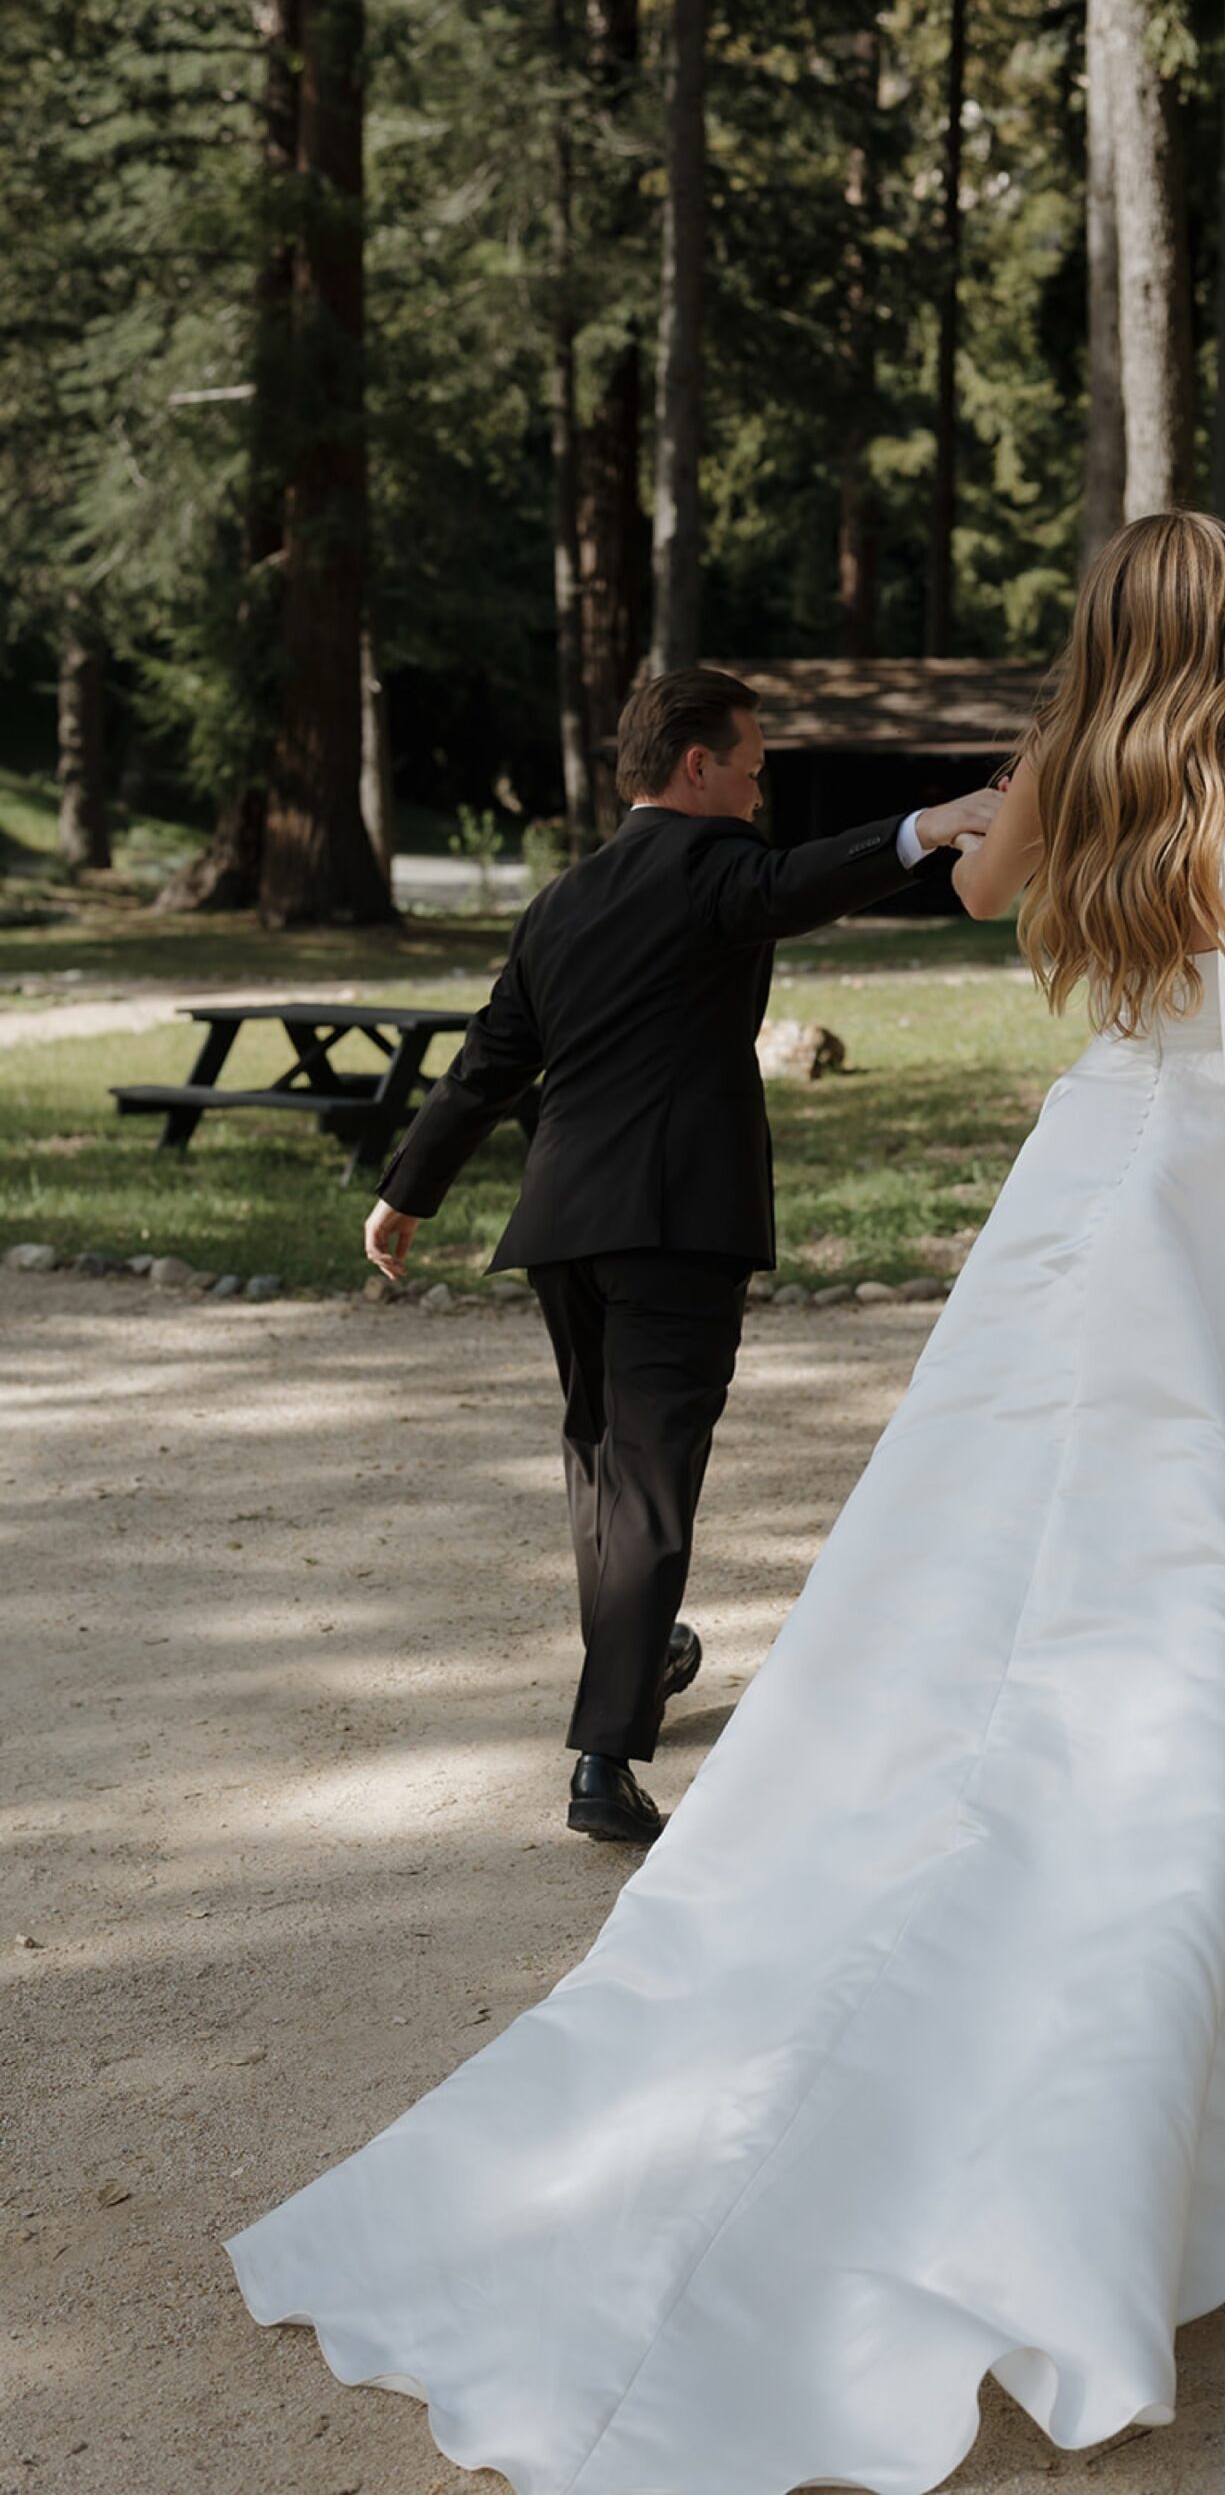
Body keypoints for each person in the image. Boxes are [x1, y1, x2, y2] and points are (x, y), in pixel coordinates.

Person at [225, 514, 1225, 2494]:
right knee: (1192, 1582)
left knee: (1005, 1570)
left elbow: (988, 881)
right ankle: (1112, 1982)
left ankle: (1066, 1892)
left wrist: (1036, 782)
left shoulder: (1074, 769)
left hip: (1091, 1170)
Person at [362, 665, 1004, 1843]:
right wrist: (924, 827)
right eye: (754, 770)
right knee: (650, 1483)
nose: (761, 793)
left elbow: (486, 1063)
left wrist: (407, 1190)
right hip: (675, 1228)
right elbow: (796, 882)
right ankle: (603, 1760)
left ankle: (644, 1654)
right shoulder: (714, 867)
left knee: (605, 1468)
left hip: (563, 1225)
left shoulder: (562, 901)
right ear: (697, 765)